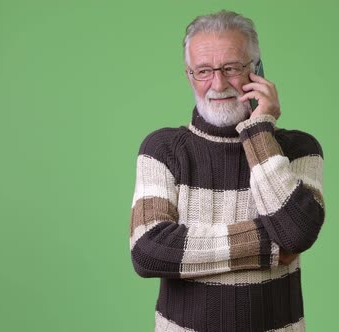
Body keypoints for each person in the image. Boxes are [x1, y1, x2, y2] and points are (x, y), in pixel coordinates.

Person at [129, 10, 326, 332]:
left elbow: (298, 233)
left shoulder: (298, 148)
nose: (218, 84)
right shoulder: (162, 149)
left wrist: (259, 130)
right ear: (188, 75)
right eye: (203, 71)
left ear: (258, 70)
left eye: (231, 68)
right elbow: (149, 251)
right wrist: (273, 245)